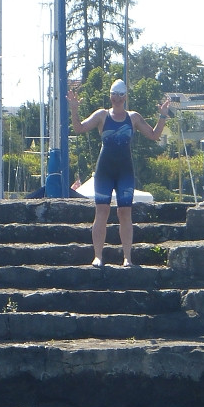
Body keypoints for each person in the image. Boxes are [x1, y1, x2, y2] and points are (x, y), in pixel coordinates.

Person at [67, 79, 171, 267]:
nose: (117, 98)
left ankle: (127, 257)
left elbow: (154, 135)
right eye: (114, 94)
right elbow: (79, 128)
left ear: (126, 97)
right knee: (102, 211)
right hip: (104, 170)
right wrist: (74, 109)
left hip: (124, 170)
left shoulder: (134, 118)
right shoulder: (102, 115)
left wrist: (162, 116)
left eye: (121, 95)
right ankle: (98, 255)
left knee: (125, 212)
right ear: (110, 96)